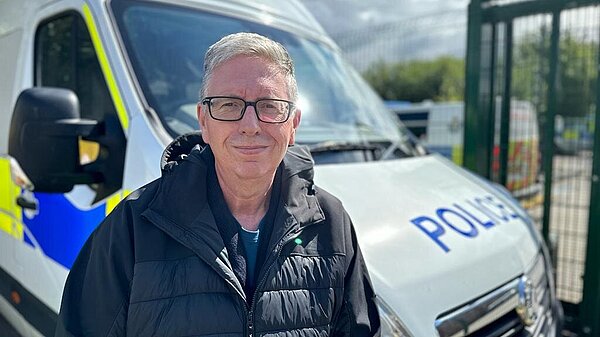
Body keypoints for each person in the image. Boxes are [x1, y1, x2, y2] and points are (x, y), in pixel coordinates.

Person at [55, 32, 380, 337]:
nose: (250, 126)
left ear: (293, 125)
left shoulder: (332, 223)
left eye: (269, 106)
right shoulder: (135, 225)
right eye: (228, 105)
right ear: (204, 122)